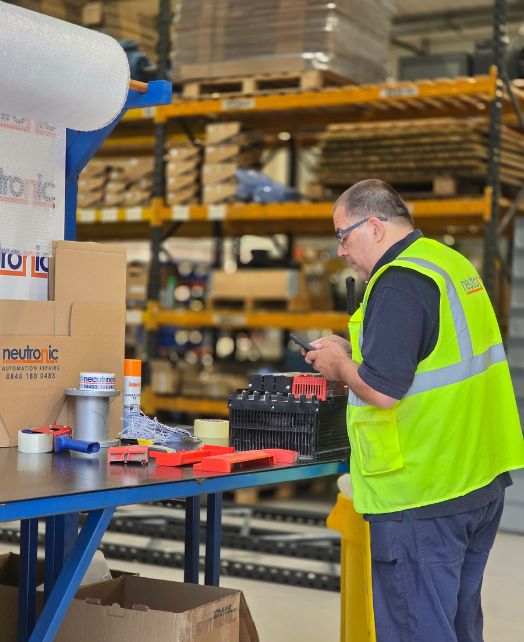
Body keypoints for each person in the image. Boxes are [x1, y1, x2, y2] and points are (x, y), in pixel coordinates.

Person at [305, 179, 524, 642]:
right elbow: (430, 352)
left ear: (376, 226)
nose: (341, 251)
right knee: (458, 626)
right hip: (476, 480)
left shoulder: (399, 282)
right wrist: (359, 351)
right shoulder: (448, 262)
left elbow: (383, 391)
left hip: (422, 494)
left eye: (343, 235)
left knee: (417, 630)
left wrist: (339, 365)